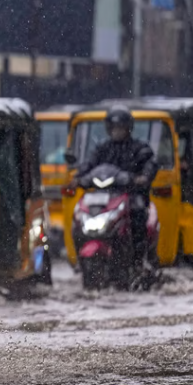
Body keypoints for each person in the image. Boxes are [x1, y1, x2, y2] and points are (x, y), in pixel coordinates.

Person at [69, 105, 159, 269]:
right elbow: (88, 164)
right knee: (78, 215)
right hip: (104, 197)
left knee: (138, 211)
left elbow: (150, 164)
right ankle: (79, 257)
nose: (117, 131)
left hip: (129, 195)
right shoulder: (102, 148)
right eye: (114, 127)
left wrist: (143, 178)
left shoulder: (139, 148)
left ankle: (139, 258)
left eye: (121, 127)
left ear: (128, 128)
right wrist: (77, 178)